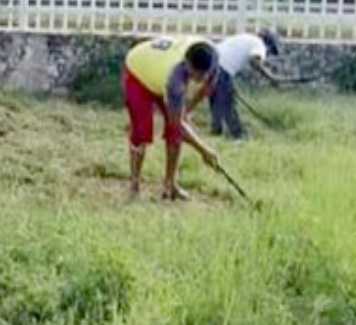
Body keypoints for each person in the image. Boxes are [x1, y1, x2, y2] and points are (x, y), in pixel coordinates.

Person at [121, 35, 221, 200]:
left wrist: (187, 110)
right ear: (187, 64)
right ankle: (134, 185)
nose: (198, 79)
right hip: (139, 71)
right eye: (195, 75)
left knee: (174, 135)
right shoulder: (175, 79)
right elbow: (177, 124)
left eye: (202, 75)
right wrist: (204, 150)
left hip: (159, 69)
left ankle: (170, 185)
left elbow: (207, 87)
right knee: (141, 131)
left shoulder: (213, 56)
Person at [210, 29, 284, 140]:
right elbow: (254, 61)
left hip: (211, 63)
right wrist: (271, 78)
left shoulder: (247, 38)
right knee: (229, 104)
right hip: (223, 68)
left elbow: (244, 61)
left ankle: (216, 131)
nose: (268, 55)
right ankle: (238, 136)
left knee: (216, 101)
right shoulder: (259, 44)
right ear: (268, 44)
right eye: (271, 51)